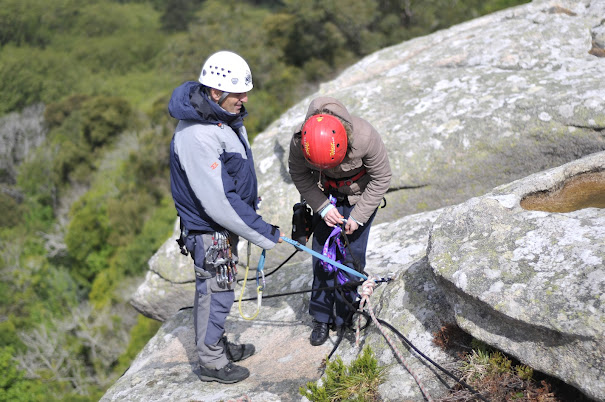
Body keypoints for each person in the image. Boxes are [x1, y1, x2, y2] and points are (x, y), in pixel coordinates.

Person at [169, 50, 282, 384]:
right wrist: (262, 232)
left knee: (222, 288)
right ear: (215, 92)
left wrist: (249, 201)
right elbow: (218, 201)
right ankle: (211, 362)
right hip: (210, 230)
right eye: (238, 93)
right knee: (215, 291)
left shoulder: (220, 117)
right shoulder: (197, 134)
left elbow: (229, 177)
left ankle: (216, 344)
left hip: (222, 226)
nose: (245, 99)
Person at [288, 97, 392, 346]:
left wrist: (358, 215)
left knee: (351, 258)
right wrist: (322, 207)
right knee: (323, 259)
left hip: (360, 198)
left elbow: (381, 177)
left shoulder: (365, 136)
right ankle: (321, 317)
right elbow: (299, 174)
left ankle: (346, 314)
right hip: (328, 196)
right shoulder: (301, 141)